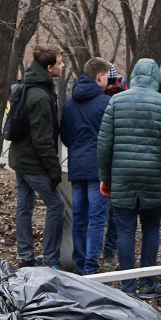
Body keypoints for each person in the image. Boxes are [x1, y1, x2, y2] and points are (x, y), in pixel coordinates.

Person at [99, 58, 161, 299]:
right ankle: (149, 284)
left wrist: (105, 177)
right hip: (153, 175)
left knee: (125, 231)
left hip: (123, 176)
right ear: (156, 78)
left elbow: (104, 144)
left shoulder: (116, 101)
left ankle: (128, 288)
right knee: (151, 228)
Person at [8, 45, 70, 270]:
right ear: (49, 67)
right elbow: (43, 140)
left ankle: (25, 257)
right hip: (31, 163)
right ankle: (51, 261)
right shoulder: (39, 95)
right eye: (61, 63)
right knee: (57, 205)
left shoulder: (32, 86)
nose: (63, 67)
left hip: (20, 160)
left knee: (24, 207)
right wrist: (53, 170)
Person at [62, 57, 115, 274]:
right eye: (107, 78)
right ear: (100, 76)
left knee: (79, 217)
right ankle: (91, 266)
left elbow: (65, 134)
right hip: (98, 169)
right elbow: (112, 137)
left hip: (76, 166)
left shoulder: (68, 103)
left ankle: (80, 262)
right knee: (97, 219)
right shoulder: (106, 104)